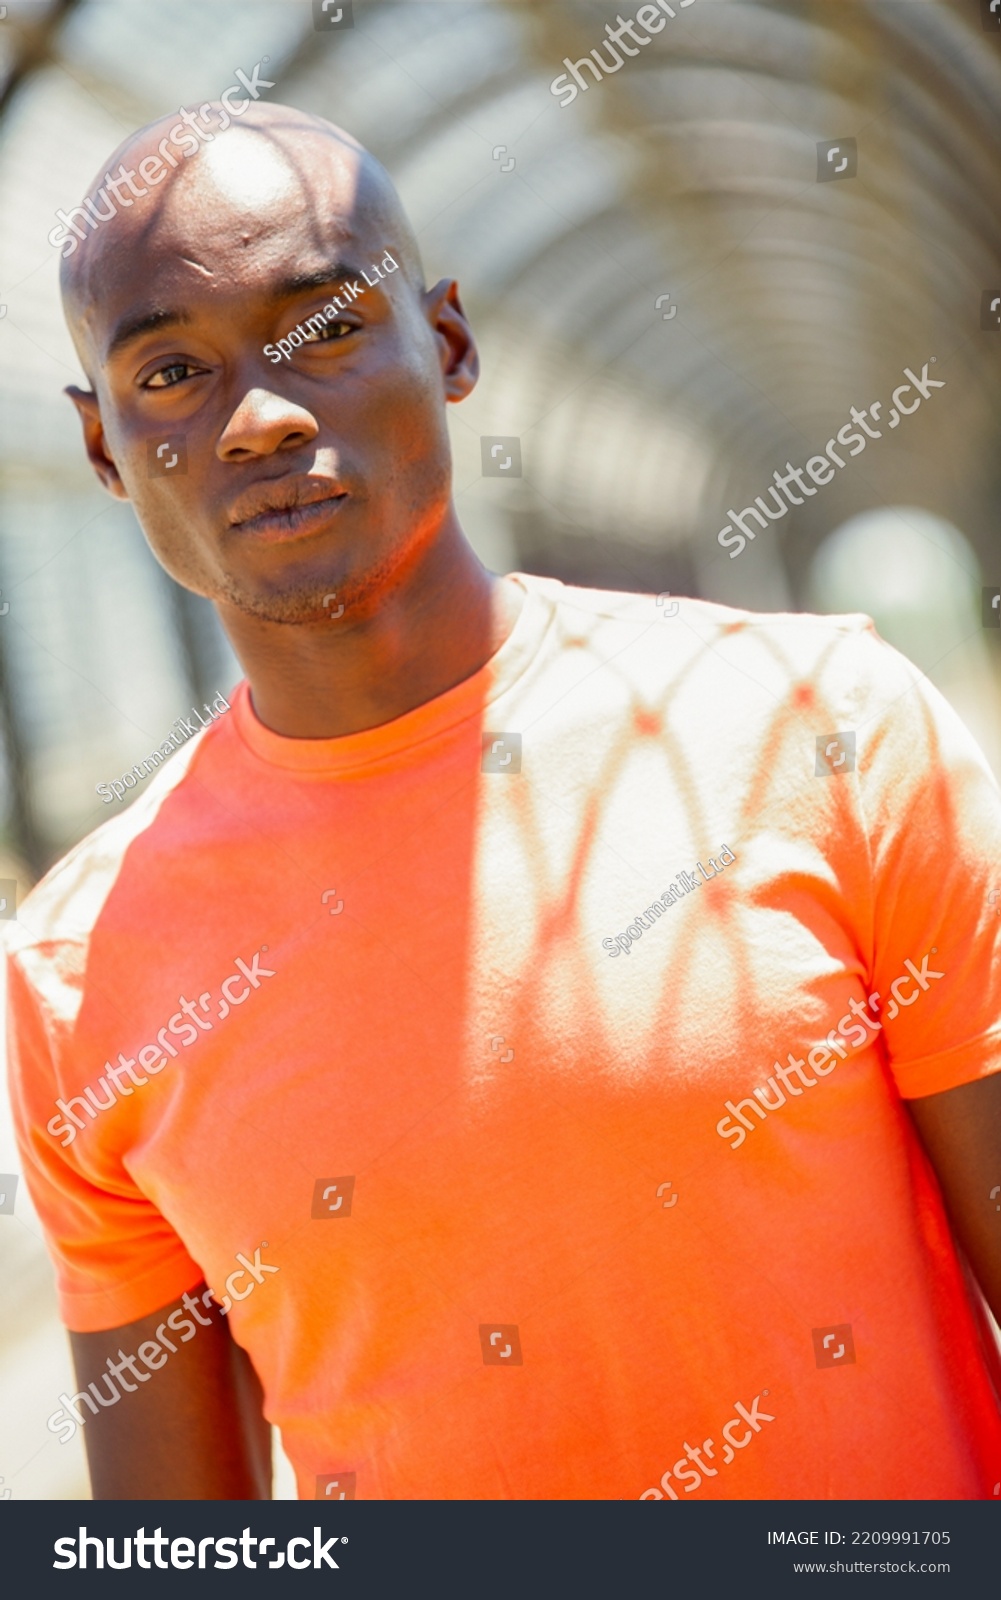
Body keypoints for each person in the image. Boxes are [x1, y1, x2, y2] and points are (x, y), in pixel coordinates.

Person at [6, 101, 1001, 1502]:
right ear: (103, 450)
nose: (265, 417)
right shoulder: (77, 973)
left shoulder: (818, 726)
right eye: (169, 372)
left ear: (450, 342)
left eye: (330, 328)